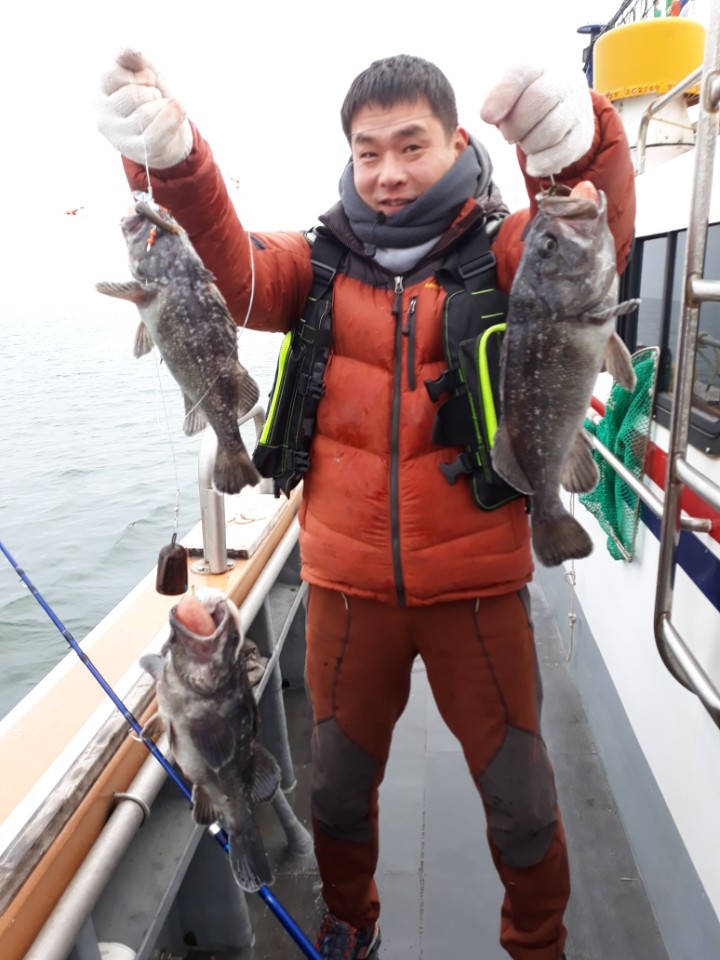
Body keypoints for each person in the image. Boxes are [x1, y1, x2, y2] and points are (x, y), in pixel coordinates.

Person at [97, 48, 635, 960]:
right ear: (349, 156)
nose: (388, 172)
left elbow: (594, 240)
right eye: (368, 151)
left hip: (480, 589)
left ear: (457, 144)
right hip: (346, 591)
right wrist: (177, 161)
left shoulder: (506, 250)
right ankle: (351, 921)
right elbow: (227, 269)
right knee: (339, 795)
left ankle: (538, 942)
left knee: (522, 801)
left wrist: (579, 149)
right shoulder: (312, 265)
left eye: (411, 146)